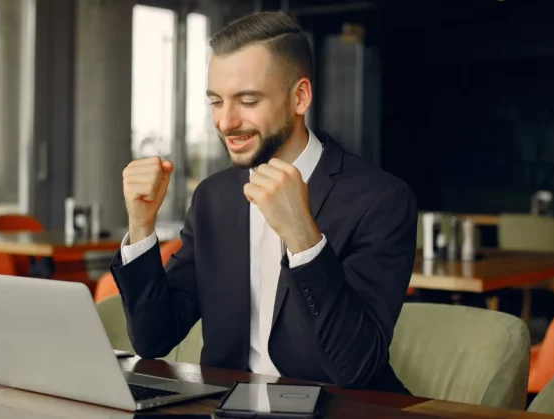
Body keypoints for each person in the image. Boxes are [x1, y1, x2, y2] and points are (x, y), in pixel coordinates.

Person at [110, 11, 416, 394]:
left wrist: (305, 239)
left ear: (300, 97)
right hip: (227, 406)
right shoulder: (213, 197)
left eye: (247, 100)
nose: (225, 122)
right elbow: (154, 339)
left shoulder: (381, 201)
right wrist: (141, 227)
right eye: (216, 102)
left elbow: (354, 366)